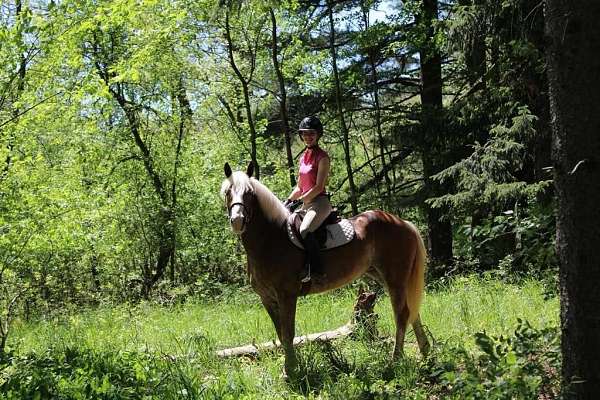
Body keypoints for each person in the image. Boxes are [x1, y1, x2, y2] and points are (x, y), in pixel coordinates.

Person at [284, 116, 332, 282]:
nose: (308, 136)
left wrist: (301, 200)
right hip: (305, 203)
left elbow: (319, 187)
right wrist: (288, 201)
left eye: (311, 133)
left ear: (318, 134)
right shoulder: (303, 157)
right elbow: (299, 186)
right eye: (304, 133)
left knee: (304, 230)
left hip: (319, 202)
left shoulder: (323, 157)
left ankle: (317, 271)